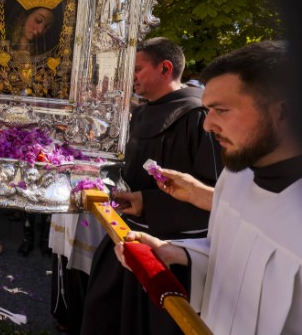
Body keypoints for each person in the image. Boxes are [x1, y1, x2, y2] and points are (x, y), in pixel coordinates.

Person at [115, 41, 302, 334]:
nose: (207, 125)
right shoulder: (235, 177)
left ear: (285, 112)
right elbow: (230, 256)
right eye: (208, 110)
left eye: (222, 110)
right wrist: (176, 252)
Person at [80, 37, 222, 335]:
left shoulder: (198, 116)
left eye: (137, 69)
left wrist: (148, 202)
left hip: (169, 249)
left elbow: (218, 197)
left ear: (165, 69)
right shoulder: (142, 111)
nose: (129, 77)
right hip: (126, 233)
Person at [6, 0, 72, 57]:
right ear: (23, 16)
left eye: (47, 27)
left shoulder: (40, 53)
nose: (40, 30)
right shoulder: (5, 44)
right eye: (38, 20)